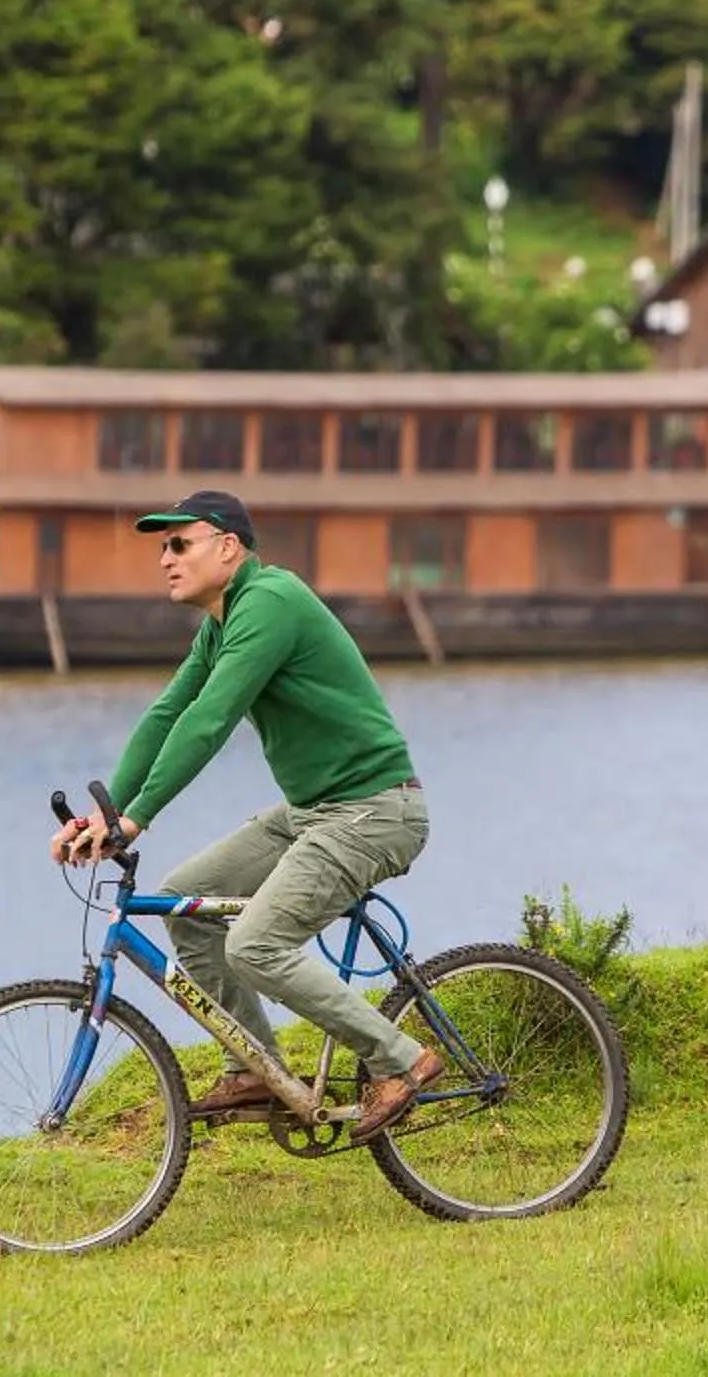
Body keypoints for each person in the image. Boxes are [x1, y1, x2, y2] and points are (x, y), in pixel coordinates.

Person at [48, 488, 441, 1140]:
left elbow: (209, 722)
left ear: (228, 548)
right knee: (183, 902)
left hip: (373, 810)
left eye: (180, 544)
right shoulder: (224, 622)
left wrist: (138, 818)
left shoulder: (269, 603)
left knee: (257, 944)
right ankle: (255, 1068)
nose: (165, 558)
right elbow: (168, 714)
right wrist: (106, 815)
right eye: (161, 548)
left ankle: (399, 1060)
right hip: (312, 811)